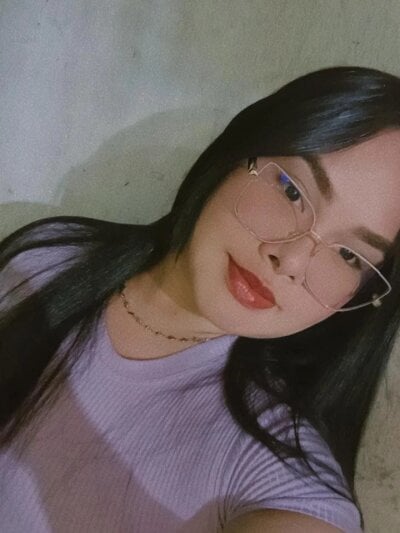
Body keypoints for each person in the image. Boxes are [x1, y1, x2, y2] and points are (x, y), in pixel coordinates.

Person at [1, 66, 400, 533]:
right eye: (292, 191)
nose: (291, 260)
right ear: (239, 152)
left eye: (350, 255)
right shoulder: (48, 260)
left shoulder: (280, 476)